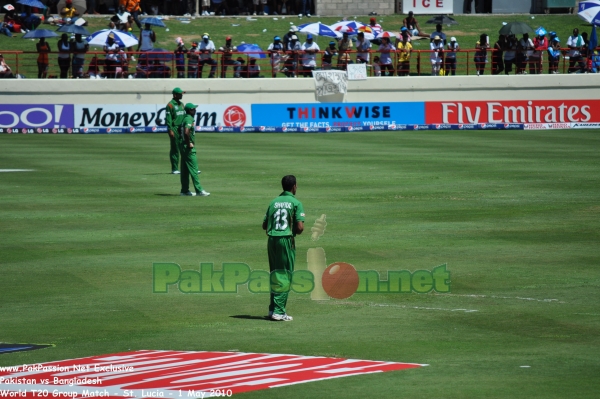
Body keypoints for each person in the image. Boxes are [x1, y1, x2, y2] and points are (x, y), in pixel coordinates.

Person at [262, 175, 305, 321]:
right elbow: (300, 228)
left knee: (275, 273)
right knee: (284, 275)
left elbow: (264, 225)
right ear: (294, 186)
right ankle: (279, 312)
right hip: (285, 240)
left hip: (271, 240)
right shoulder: (296, 203)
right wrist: (292, 230)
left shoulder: (273, 202)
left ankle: (272, 309)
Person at [178, 103, 210, 197]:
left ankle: (184, 191)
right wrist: (188, 143)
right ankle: (199, 190)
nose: (195, 111)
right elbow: (186, 132)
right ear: (189, 110)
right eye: (193, 109)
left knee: (185, 170)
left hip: (182, 146)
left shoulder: (184, 118)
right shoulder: (188, 118)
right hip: (187, 147)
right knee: (194, 169)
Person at [166, 87, 186, 175]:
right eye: (180, 94)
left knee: (185, 148)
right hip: (174, 128)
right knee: (175, 149)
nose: (181, 95)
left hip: (182, 128)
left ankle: (186, 167)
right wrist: (170, 129)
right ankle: (174, 168)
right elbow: (168, 118)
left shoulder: (182, 104)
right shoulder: (170, 105)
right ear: (174, 95)